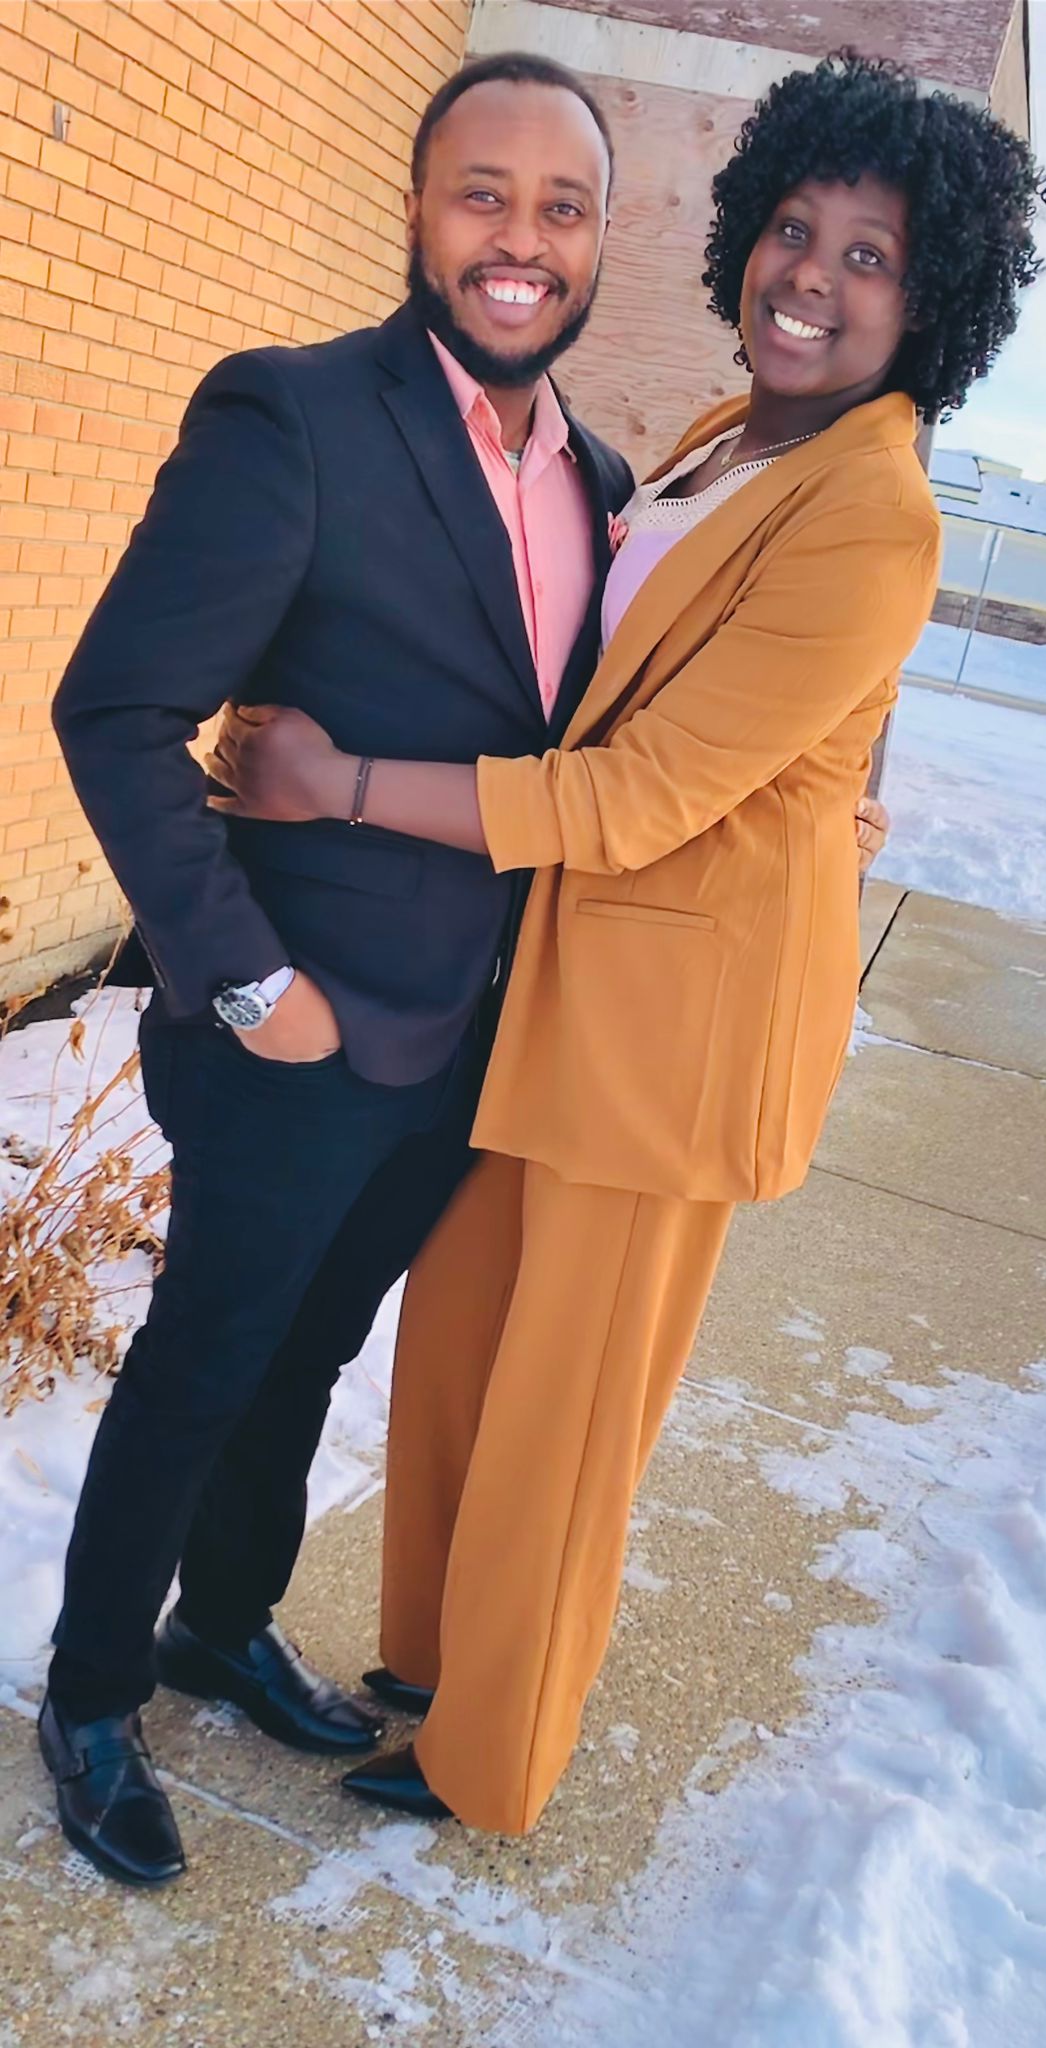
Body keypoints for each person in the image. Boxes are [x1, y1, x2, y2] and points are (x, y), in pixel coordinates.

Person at [208, 53, 1046, 1836]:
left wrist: (341, 782)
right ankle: (436, 1659)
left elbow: (644, 786)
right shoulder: (740, 437)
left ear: (936, 302)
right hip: (561, 993)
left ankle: (491, 1755)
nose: (811, 278)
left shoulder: (875, 508)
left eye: (872, 258)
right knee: (462, 1346)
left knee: (569, 1409)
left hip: (671, 1038)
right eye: (795, 230)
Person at [41, 54, 641, 1891]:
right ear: (417, 210)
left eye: (560, 207)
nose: (520, 239)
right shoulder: (292, 416)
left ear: (600, 242)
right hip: (289, 1032)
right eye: (483, 194)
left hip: (462, 1045)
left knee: (313, 1353)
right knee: (207, 1360)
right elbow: (116, 711)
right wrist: (245, 984)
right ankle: (89, 1694)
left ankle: (221, 1626)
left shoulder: (605, 483)